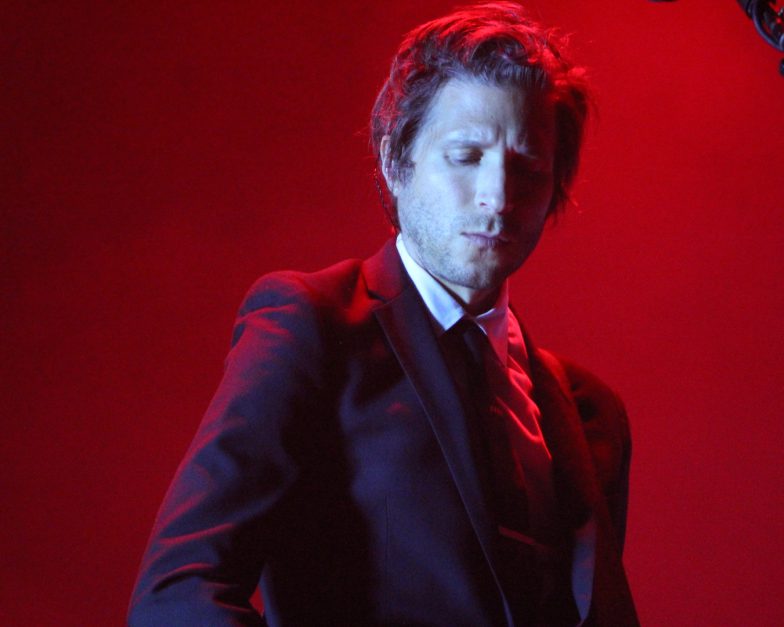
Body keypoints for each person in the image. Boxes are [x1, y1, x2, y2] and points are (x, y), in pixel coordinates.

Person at [128, 3, 639, 625]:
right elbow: (179, 592)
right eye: (466, 155)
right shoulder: (313, 327)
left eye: (528, 167)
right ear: (396, 161)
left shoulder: (590, 413)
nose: (498, 196)